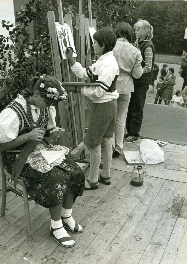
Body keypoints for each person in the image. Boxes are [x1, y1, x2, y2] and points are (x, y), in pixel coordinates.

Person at [0, 75, 85, 248]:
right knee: (57, 178)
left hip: (40, 151)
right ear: (35, 93)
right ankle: (55, 226)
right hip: (17, 157)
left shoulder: (45, 108)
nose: (49, 106)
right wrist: (28, 136)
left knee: (75, 170)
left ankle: (66, 215)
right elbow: (0, 147)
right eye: (47, 101)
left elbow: (43, 132)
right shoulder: (13, 112)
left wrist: (51, 134)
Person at [66, 27, 119, 189]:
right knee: (106, 140)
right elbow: (85, 73)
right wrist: (71, 61)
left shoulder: (107, 65)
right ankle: (106, 174)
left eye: (95, 43)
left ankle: (93, 179)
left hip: (103, 106)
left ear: (102, 45)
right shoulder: (103, 61)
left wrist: (79, 90)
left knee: (93, 144)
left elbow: (98, 92)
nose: (92, 45)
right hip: (109, 106)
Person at [112, 22, 143, 158]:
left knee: (109, 116)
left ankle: (109, 145)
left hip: (110, 84)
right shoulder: (135, 51)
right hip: (125, 86)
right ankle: (118, 146)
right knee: (120, 118)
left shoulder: (110, 46)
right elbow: (137, 74)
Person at [125, 20, 155, 142]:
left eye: (138, 30)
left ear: (145, 31)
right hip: (134, 79)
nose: (135, 32)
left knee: (137, 106)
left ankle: (134, 133)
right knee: (130, 105)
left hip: (141, 81)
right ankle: (129, 131)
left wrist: (137, 73)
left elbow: (148, 66)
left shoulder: (148, 46)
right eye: (135, 29)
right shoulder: (136, 43)